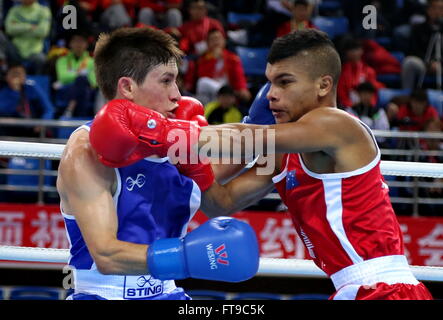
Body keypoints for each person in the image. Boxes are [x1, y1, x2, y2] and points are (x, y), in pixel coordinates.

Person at [92, 29, 434, 300]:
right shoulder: (284, 154)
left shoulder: (336, 125)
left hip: (386, 287)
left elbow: (246, 139)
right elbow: (219, 203)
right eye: (269, 82)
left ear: (323, 85)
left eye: (285, 82)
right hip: (349, 288)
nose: (271, 93)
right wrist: (191, 162)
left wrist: (161, 129)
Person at [56, 27, 259, 300]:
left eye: (177, 81)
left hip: (169, 292)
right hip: (102, 294)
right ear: (127, 87)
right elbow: (106, 255)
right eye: (166, 81)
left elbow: (216, 177)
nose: (177, 94)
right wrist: (188, 256)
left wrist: (263, 125)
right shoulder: (86, 148)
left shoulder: (175, 140)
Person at [184, 28, 251, 104]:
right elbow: (203, 77)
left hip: (228, 90)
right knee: (202, 82)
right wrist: (213, 59)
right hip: (211, 94)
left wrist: (242, 88)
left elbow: (239, 77)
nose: (216, 42)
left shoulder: (232, 58)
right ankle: (224, 94)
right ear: (208, 43)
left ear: (224, 41)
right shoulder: (203, 59)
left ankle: (226, 94)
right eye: (213, 39)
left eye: (218, 38)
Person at [0, 63, 54, 136]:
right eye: (14, 74)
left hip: (32, 127)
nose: (17, 78)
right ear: (6, 77)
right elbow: (5, 110)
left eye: (20, 74)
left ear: (25, 76)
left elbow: (48, 109)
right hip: (9, 128)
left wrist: (43, 122)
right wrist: (16, 91)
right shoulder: (3, 91)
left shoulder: (32, 87)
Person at [54, 31, 97, 118]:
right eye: (76, 41)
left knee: (82, 82)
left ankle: (70, 108)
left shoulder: (93, 62)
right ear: (70, 44)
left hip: (87, 91)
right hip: (67, 91)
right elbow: (62, 78)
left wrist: (73, 74)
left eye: (82, 41)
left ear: (86, 44)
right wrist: (81, 73)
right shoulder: (62, 60)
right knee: (81, 80)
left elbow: (94, 82)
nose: (79, 44)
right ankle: (81, 117)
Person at [4, 0, 52, 74]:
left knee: (41, 59)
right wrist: (30, 27)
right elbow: (9, 29)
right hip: (15, 50)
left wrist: (19, 28)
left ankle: (36, 84)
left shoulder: (43, 11)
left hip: (35, 51)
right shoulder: (14, 10)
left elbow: (43, 31)